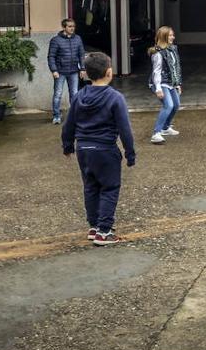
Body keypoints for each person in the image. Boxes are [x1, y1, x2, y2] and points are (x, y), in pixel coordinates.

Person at [62, 51, 135, 246]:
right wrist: (130, 153)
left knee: (90, 187)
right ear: (109, 72)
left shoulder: (78, 96)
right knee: (110, 188)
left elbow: (68, 124)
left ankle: (94, 226)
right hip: (105, 149)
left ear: (86, 73)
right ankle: (104, 231)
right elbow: (125, 129)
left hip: (83, 149)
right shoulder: (115, 98)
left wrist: (68, 146)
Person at [47, 18, 86, 125]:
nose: (72, 28)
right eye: (69, 26)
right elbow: (51, 56)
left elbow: (81, 54)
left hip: (74, 71)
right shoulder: (56, 40)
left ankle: (75, 116)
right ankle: (56, 116)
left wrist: (82, 68)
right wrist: (54, 70)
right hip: (60, 72)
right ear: (64, 27)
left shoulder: (78, 39)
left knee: (74, 94)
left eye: (73, 26)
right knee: (58, 94)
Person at [148, 26, 182, 145]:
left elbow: (175, 68)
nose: (173, 37)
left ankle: (165, 128)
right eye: (170, 35)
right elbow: (156, 72)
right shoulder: (157, 53)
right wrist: (158, 89)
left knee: (176, 105)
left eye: (173, 35)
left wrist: (178, 84)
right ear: (164, 37)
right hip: (160, 83)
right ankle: (156, 133)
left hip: (171, 83)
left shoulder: (172, 49)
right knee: (168, 105)